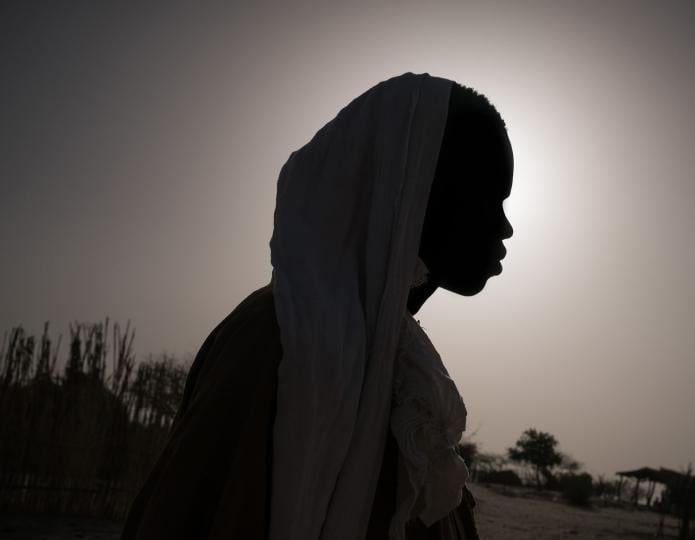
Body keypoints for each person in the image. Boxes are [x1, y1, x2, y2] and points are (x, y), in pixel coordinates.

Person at [121, 72, 513, 540]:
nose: (505, 227)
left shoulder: (407, 366)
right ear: (414, 192)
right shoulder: (276, 340)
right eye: (489, 199)